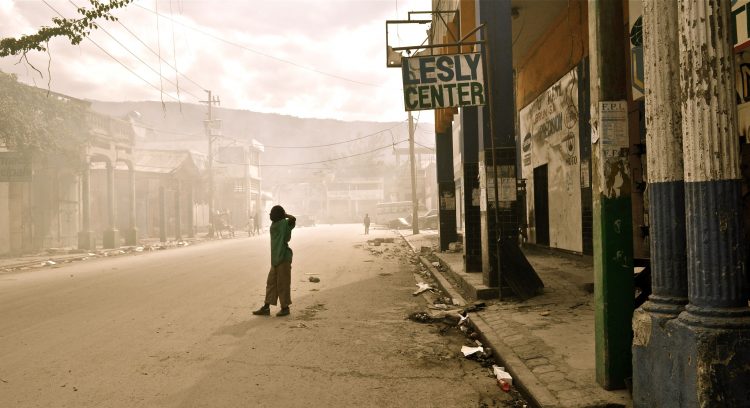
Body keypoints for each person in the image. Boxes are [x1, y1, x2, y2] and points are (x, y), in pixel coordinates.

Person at [253, 205, 296, 317]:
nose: (270, 215)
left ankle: (285, 308)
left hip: (284, 258)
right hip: (276, 259)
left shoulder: (283, 223)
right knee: (271, 283)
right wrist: (284, 216)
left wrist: (284, 215)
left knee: (283, 284)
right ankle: (266, 307)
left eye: (272, 213)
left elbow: (293, 219)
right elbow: (292, 220)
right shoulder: (276, 224)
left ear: (278, 215)